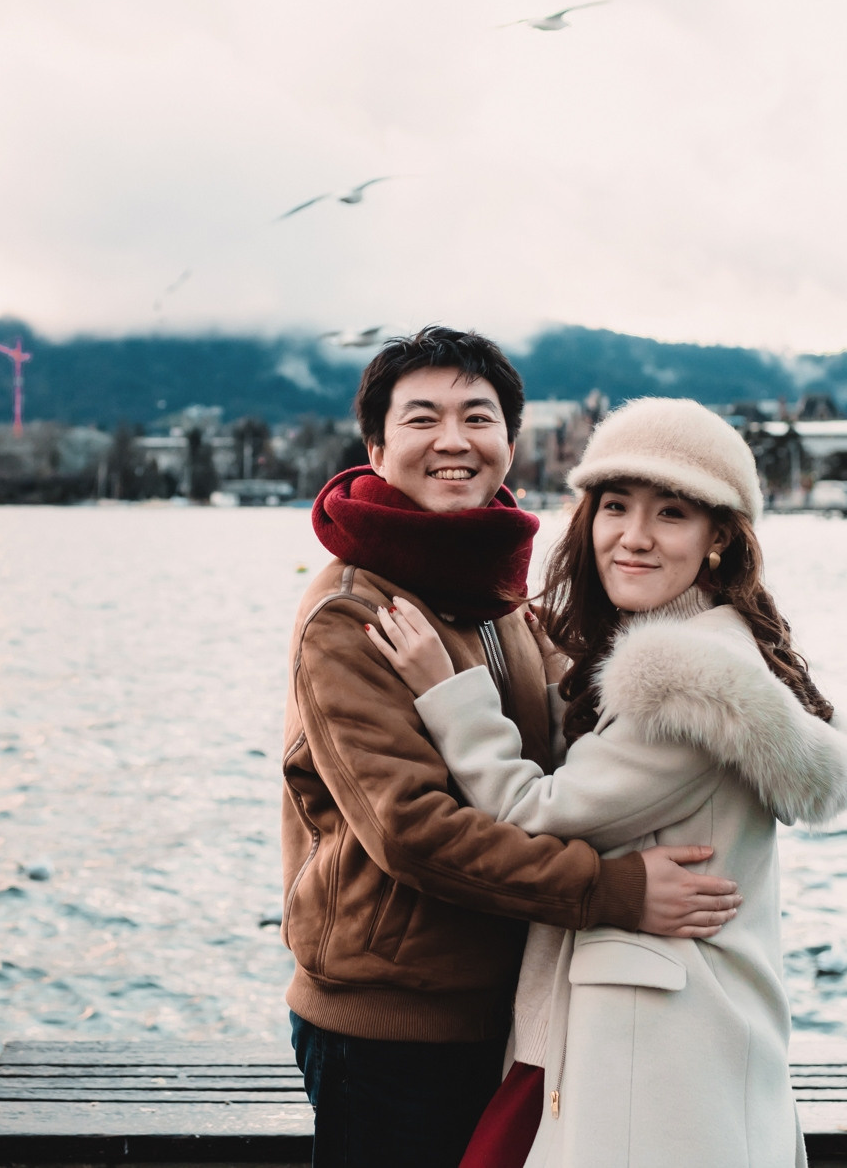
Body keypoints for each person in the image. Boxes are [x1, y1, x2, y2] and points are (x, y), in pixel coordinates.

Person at [365, 396, 847, 1167]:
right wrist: (556, 671)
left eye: (671, 513)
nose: (634, 536)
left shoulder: (683, 682)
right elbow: (616, 777)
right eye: (615, 506)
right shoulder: (719, 649)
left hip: (652, 1059)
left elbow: (533, 809)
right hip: (683, 1042)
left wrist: (450, 690)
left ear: (718, 537)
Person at [283, 330, 747, 1168]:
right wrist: (612, 890)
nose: (453, 440)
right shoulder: (356, 614)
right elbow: (412, 832)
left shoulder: (490, 588)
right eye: (422, 418)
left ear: (509, 441)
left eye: (477, 417)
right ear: (376, 448)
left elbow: (569, 743)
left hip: (502, 1005)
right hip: (392, 1025)